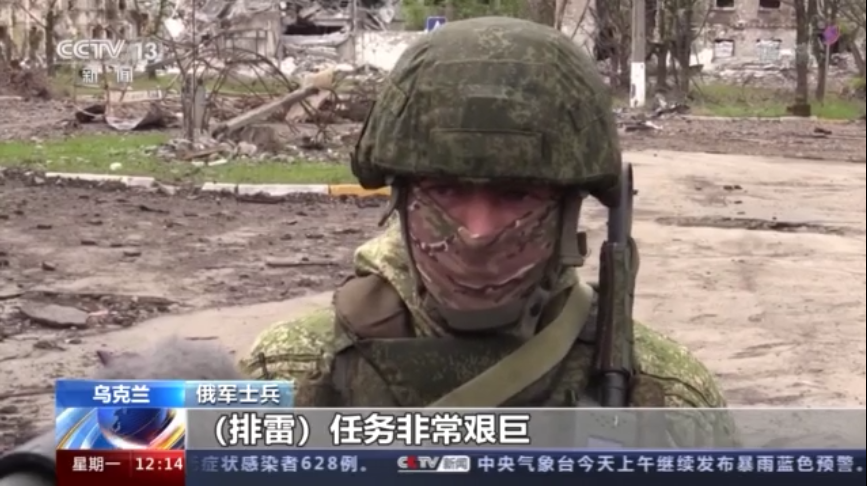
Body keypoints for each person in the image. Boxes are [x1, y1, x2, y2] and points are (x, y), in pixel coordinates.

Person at [243, 16, 737, 445]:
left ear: (568, 209)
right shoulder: (289, 371)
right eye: (445, 191)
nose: (477, 234)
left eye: (516, 195)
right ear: (402, 200)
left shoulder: (664, 396)